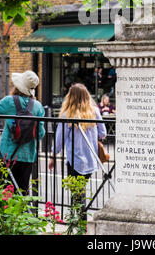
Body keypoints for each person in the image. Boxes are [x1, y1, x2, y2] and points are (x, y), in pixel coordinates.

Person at [49, 83, 106, 222]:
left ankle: (80, 222)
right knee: (81, 192)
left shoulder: (67, 115)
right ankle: (81, 221)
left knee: (76, 193)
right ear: (87, 96)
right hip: (90, 159)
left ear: (70, 97)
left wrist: (53, 155)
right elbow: (103, 133)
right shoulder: (94, 112)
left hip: (74, 160)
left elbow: (59, 139)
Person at [0, 70, 45, 195]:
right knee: (22, 194)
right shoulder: (38, 106)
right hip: (27, 157)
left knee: (4, 194)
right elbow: (40, 134)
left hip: (7, 155)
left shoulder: (9, 101)